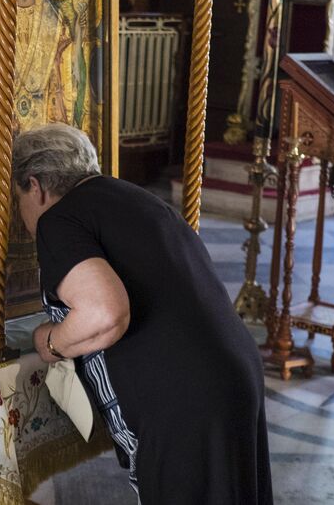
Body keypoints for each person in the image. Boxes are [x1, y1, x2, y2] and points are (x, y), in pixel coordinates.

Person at [15, 123, 273, 504]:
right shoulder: (135, 198)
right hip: (234, 374)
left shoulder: (59, 219)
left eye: (17, 197)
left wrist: (50, 341)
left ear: (35, 186)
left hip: (185, 401)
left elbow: (105, 312)